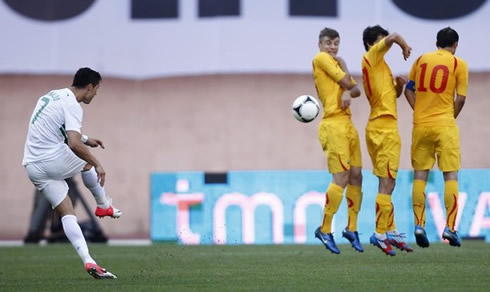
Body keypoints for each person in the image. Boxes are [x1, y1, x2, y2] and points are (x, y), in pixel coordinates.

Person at [22, 67, 122, 279]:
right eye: (96, 90)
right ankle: (103, 205)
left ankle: (89, 261)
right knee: (86, 164)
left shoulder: (51, 95)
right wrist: (97, 163)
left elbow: (59, 129)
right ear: (89, 87)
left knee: (68, 213)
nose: (96, 94)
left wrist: (87, 139)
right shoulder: (74, 106)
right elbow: (73, 144)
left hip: (32, 166)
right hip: (49, 159)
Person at [404, 27, 468, 248]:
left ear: (437, 42)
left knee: (420, 177)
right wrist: (449, 118)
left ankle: (419, 225)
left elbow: (408, 90)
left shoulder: (421, 59)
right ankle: (450, 228)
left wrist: (418, 112)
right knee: (450, 177)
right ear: (455, 45)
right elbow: (460, 98)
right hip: (445, 125)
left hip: (421, 126)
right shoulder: (459, 64)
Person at [361, 25, 413, 256]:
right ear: (373, 44)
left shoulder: (381, 66)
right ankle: (380, 233)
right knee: (387, 183)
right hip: (383, 129)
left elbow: (394, 96)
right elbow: (393, 37)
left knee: (388, 182)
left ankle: (390, 231)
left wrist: (399, 86)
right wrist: (404, 46)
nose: (386, 46)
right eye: (382, 42)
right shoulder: (371, 57)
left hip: (382, 126)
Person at [312, 27, 364, 254]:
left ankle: (351, 228)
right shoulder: (321, 59)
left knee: (356, 176)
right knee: (341, 176)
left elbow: (356, 91)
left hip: (347, 125)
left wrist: (348, 87)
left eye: (336, 43)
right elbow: (349, 84)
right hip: (333, 124)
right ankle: (325, 229)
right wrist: (346, 81)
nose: (332, 48)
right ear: (320, 45)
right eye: (328, 43)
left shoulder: (335, 61)